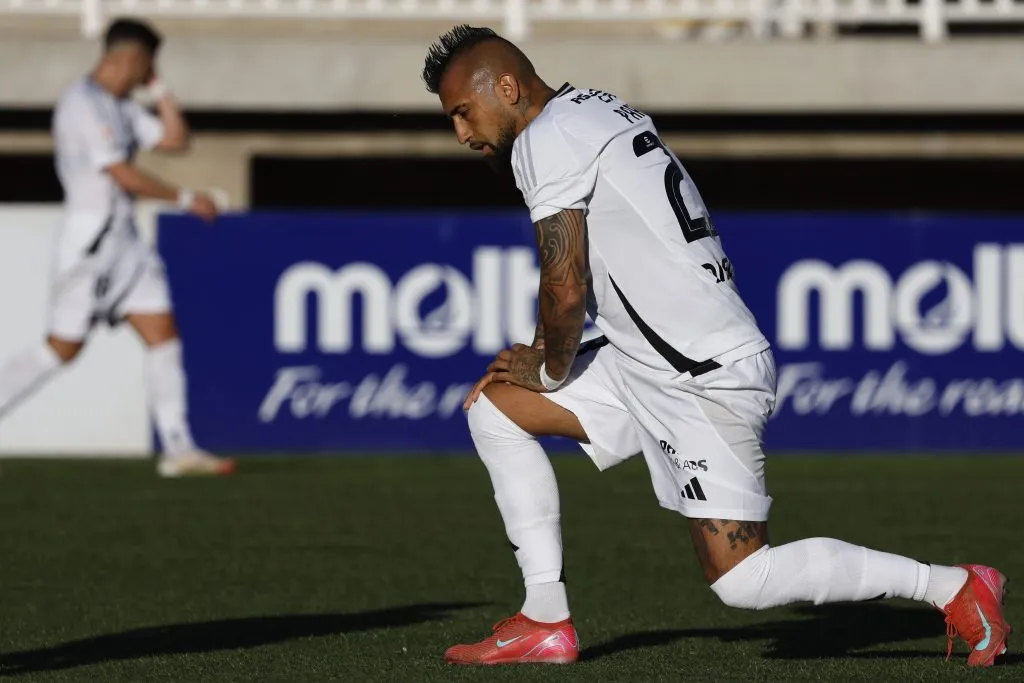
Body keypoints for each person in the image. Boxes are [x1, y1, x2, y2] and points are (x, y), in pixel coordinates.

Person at [421, 25, 1010, 667]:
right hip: (649, 361)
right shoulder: (592, 107)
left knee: (743, 581)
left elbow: (565, 286)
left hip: (701, 375)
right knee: (496, 408)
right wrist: (542, 365)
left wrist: (549, 366)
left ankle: (955, 587)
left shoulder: (544, 138)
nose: (461, 133)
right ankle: (544, 618)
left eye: (462, 111)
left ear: (506, 87)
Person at [0, 18, 235, 477]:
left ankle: (178, 447)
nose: (147, 74)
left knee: (163, 334)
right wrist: (185, 199)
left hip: (127, 242)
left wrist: (160, 88)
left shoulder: (121, 106)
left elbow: (176, 139)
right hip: (93, 244)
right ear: (128, 58)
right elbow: (121, 174)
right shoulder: (80, 106)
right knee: (61, 349)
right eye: (147, 65)